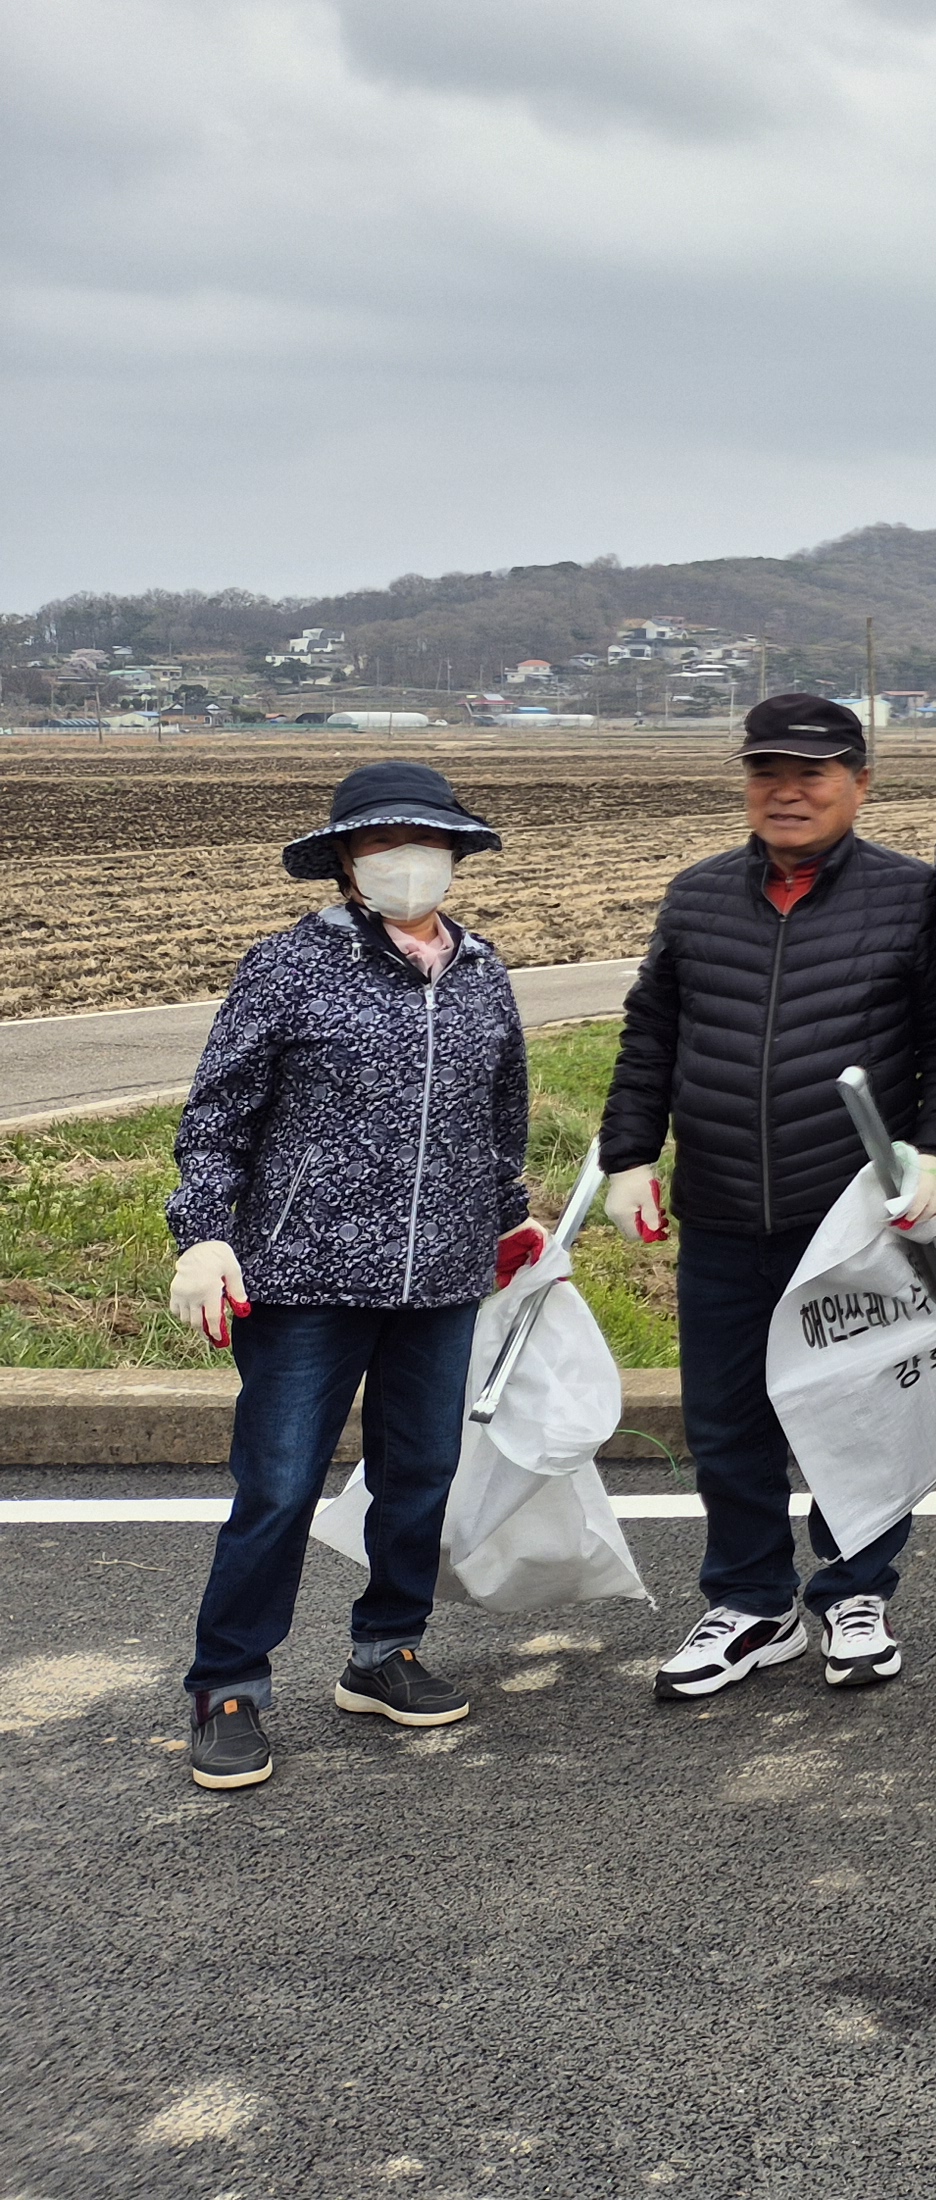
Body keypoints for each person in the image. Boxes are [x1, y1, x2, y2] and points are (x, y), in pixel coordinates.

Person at [597, 696, 936, 1703]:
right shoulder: (696, 899)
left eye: (812, 773)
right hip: (723, 1205)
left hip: (853, 1218)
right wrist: (629, 1156)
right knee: (727, 1422)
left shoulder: (912, 897)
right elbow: (650, 1041)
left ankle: (856, 1593)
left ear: (860, 781)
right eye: (768, 770)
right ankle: (752, 1601)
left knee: (861, 1412)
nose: (788, 790)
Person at [166, 762, 536, 1789]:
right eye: (382, 843)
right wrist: (203, 1232)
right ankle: (229, 1683)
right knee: (279, 1488)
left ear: (456, 855)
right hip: (304, 1281)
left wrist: (509, 1216)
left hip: (443, 1275)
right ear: (345, 860)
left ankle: (386, 1652)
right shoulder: (287, 968)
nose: (408, 861)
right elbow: (217, 1116)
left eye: (427, 842)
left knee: (418, 1477)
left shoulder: (482, 970)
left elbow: (501, 1114)